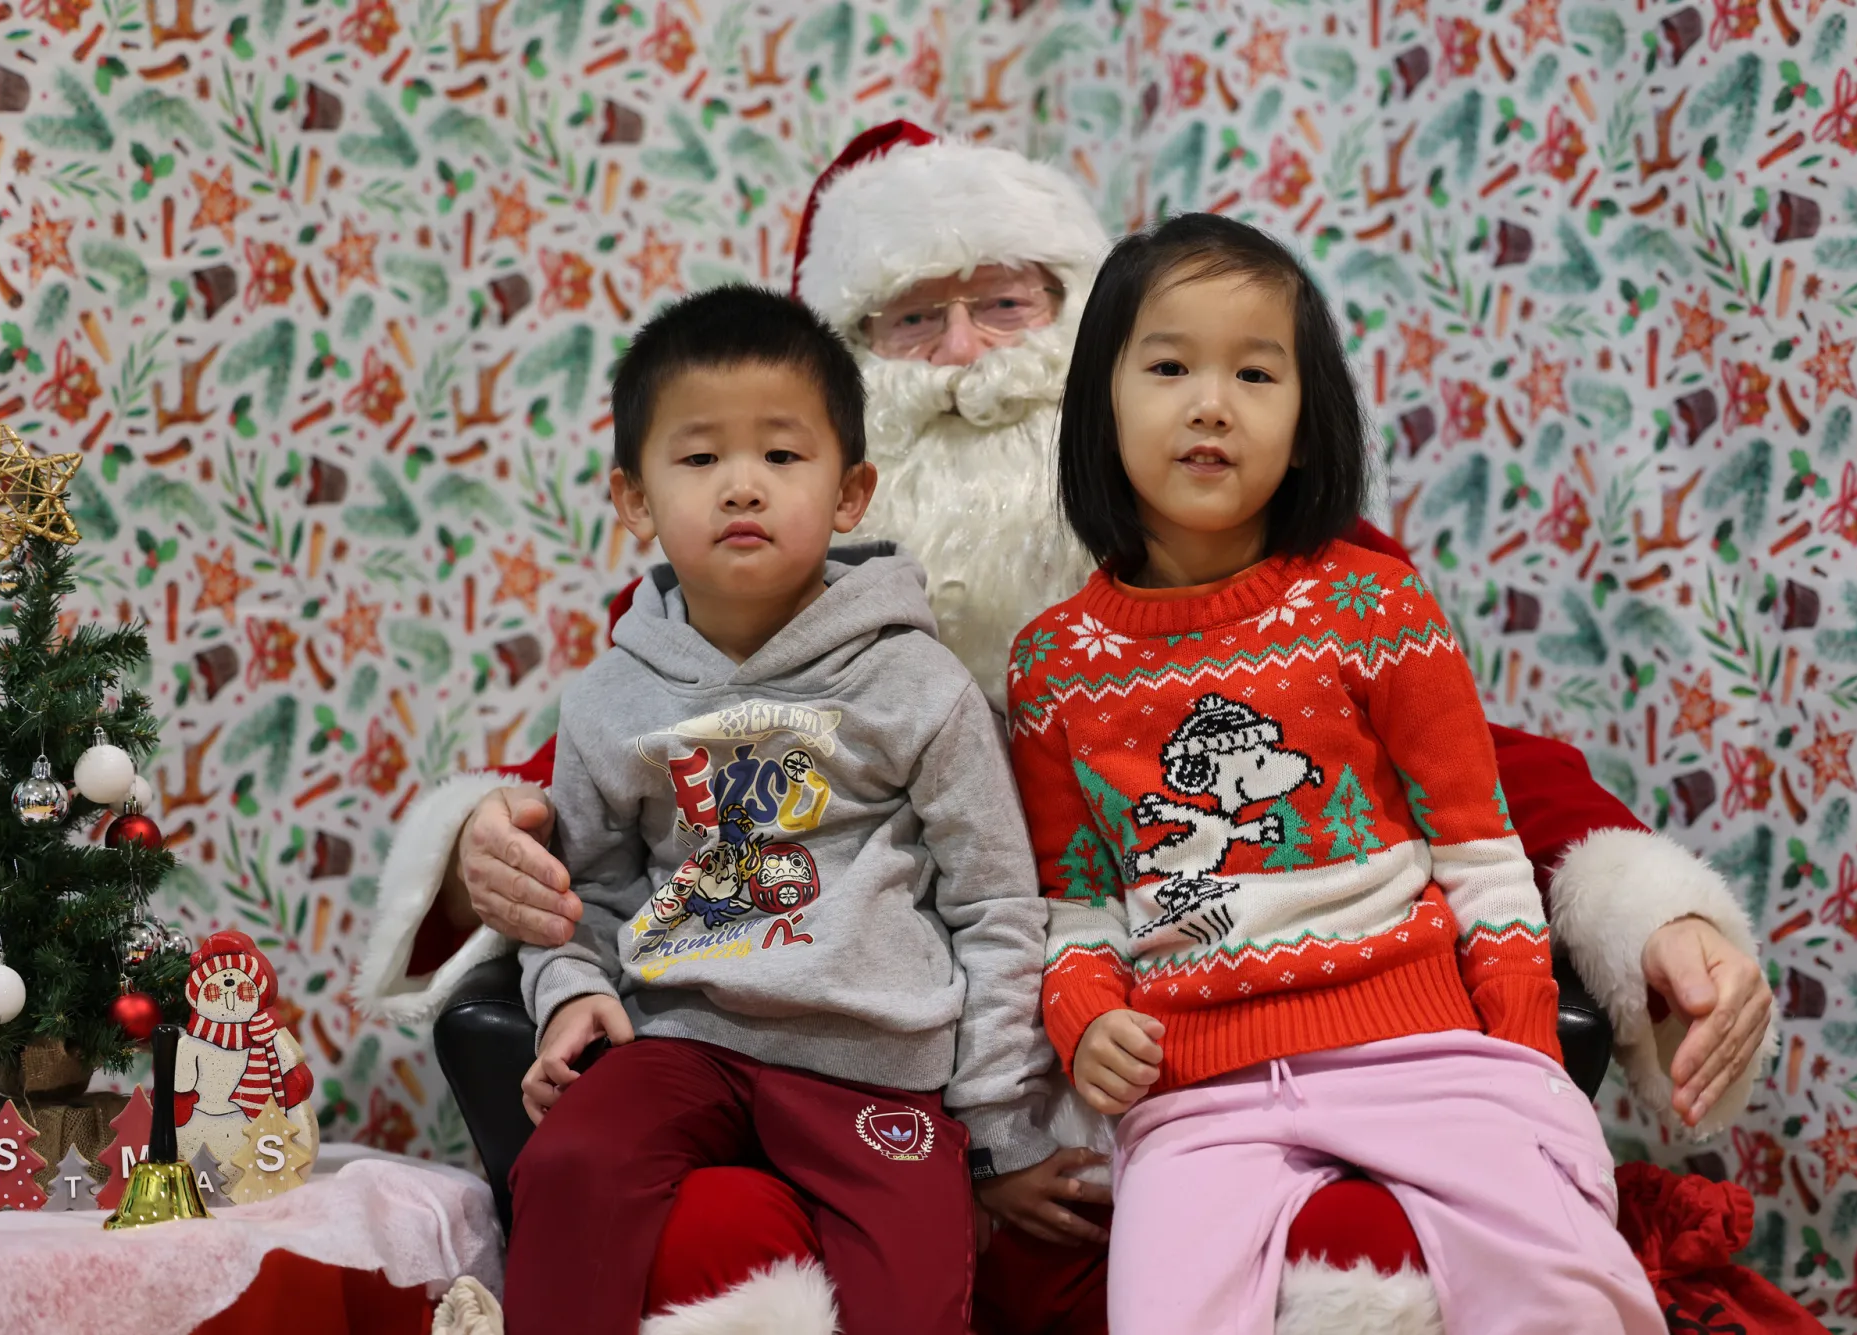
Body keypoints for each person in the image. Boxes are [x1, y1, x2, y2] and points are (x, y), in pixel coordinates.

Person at [358, 125, 1774, 1335]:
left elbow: (1464, 777)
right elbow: (609, 797)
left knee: (1370, 1244)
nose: (963, 359)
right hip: (867, 1084)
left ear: (1084, 332)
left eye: (1005, 304)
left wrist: (1651, 917)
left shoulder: (1294, 565)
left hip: (1195, 1076)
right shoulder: (734, 586)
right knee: (706, 1228)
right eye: (911, 322)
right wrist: (489, 844)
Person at [1012, 212, 1667, 1333]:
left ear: (1308, 425)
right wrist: (1085, 1016)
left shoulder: (1374, 605)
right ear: (1098, 409)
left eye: (1254, 373)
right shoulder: (1052, 665)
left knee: (1572, 1294)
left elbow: (1479, 850)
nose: (1210, 404)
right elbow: (1075, 904)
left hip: (1423, 1052)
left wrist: (1524, 1053)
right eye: (1167, 367)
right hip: (1196, 1095)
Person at [501, 285, 1055, 1335]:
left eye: (782, 455)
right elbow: (576, 893)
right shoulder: (612, 698)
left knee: (915, 1291)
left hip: (874, 1064)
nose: (742, 484)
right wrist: (569, 992)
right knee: (568, 1160)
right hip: (680, 1041)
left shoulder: (916, 682)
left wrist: (995, 1123)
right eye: (700, 457)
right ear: (635, 500)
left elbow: (995, 905)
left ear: (850, 493)